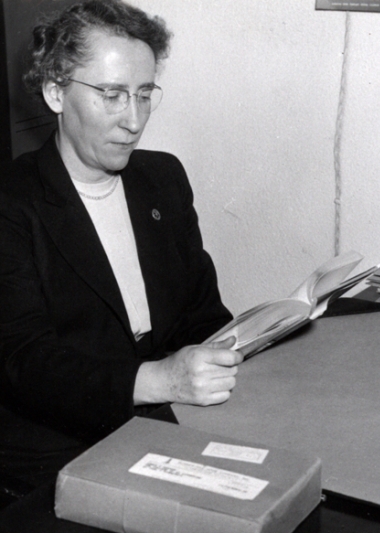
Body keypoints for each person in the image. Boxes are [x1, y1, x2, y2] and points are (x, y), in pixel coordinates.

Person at [0, 0, 241, 490]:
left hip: (166, 424)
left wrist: (242, 347)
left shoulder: (163, 178)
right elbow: (23, 361)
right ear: (54, 92)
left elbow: (202, 314)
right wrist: (161, 381)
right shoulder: (12, 202)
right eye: (112, 95)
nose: (134, 120)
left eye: (144, 94)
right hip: (60, 450)